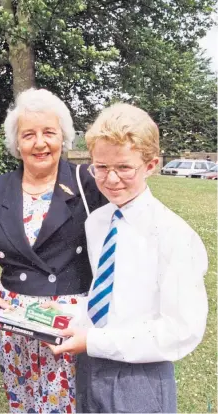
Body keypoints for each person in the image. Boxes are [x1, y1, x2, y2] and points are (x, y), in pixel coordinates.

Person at [46, 103, 208, 413]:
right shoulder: (97, 222)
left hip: (141, 375)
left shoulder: (175, 236)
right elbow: (110, 298)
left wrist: (95, 342)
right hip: (90, 365)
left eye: (124, 167)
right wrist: (69, 310)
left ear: (151, 165)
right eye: (100, 167)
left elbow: (180, 330)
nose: (110, 179)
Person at [0, 88, 106, 413]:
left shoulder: (89, 184)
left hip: (72, 324)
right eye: (29, 134)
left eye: (49, 133)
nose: (40, 143)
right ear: (17, 142)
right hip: (13, 324)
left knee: (73, 406)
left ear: (63, 137)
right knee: (23, 405)